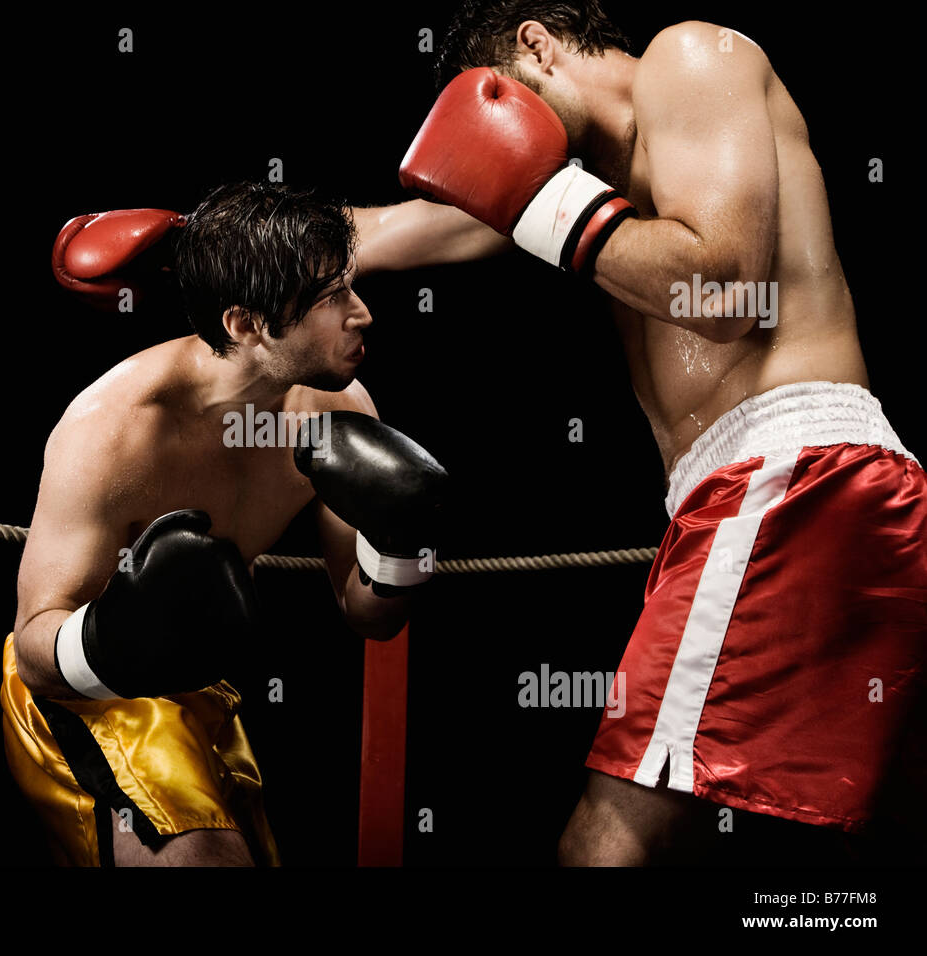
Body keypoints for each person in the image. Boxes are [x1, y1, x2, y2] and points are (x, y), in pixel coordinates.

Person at [347, 1, 925, 864]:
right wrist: (202, 244)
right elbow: (384, 233)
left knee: (605, 850)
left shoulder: (689, 59)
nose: (495, 136)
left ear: (537, 44)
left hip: (786, 477)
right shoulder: (594, 189)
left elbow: (724, 292)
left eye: (495, 99)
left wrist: (542, 204)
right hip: (774, 496)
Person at [5, 182, 447, 866]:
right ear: (244, 323)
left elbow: (368, 615)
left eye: (352, 288)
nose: (362, 315)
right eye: (331, 299)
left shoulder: (335, 413)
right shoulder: (114, 429)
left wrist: (403, 546)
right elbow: (35, 652)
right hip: (81, 701)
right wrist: (119, 637)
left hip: (201, 690)